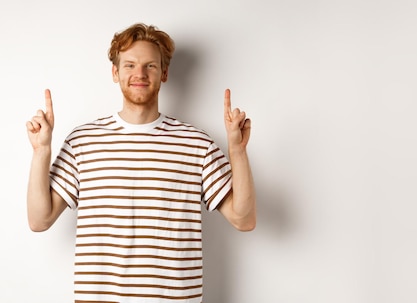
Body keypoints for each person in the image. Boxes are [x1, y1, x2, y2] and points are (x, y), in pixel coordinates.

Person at [25, 22, 256, 302]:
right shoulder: (82, 141)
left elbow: (244, 220)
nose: (140, 74)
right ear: (115, 72)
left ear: (165, 73)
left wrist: (238, 152)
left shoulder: (197, 143)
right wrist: (41, 152)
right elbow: (39, 220)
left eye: (150, 66)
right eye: (130, 65)